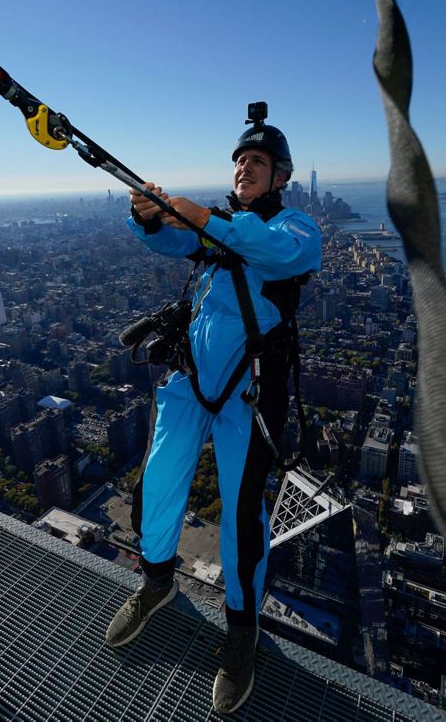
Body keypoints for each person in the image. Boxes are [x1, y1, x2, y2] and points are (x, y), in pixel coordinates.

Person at [105, 107, 321, 714]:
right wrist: (146, 216)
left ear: (280, 177)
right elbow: (175, 239)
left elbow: (273, 251)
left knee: (241, 511)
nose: (244, 167)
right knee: (161, 475)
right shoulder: (217, 221)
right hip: (192, 370)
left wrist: (205, 217)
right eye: (239, 161)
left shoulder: (298, 227)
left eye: (256, 162)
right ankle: (154, 584)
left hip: (251, 385)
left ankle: (242, 630)